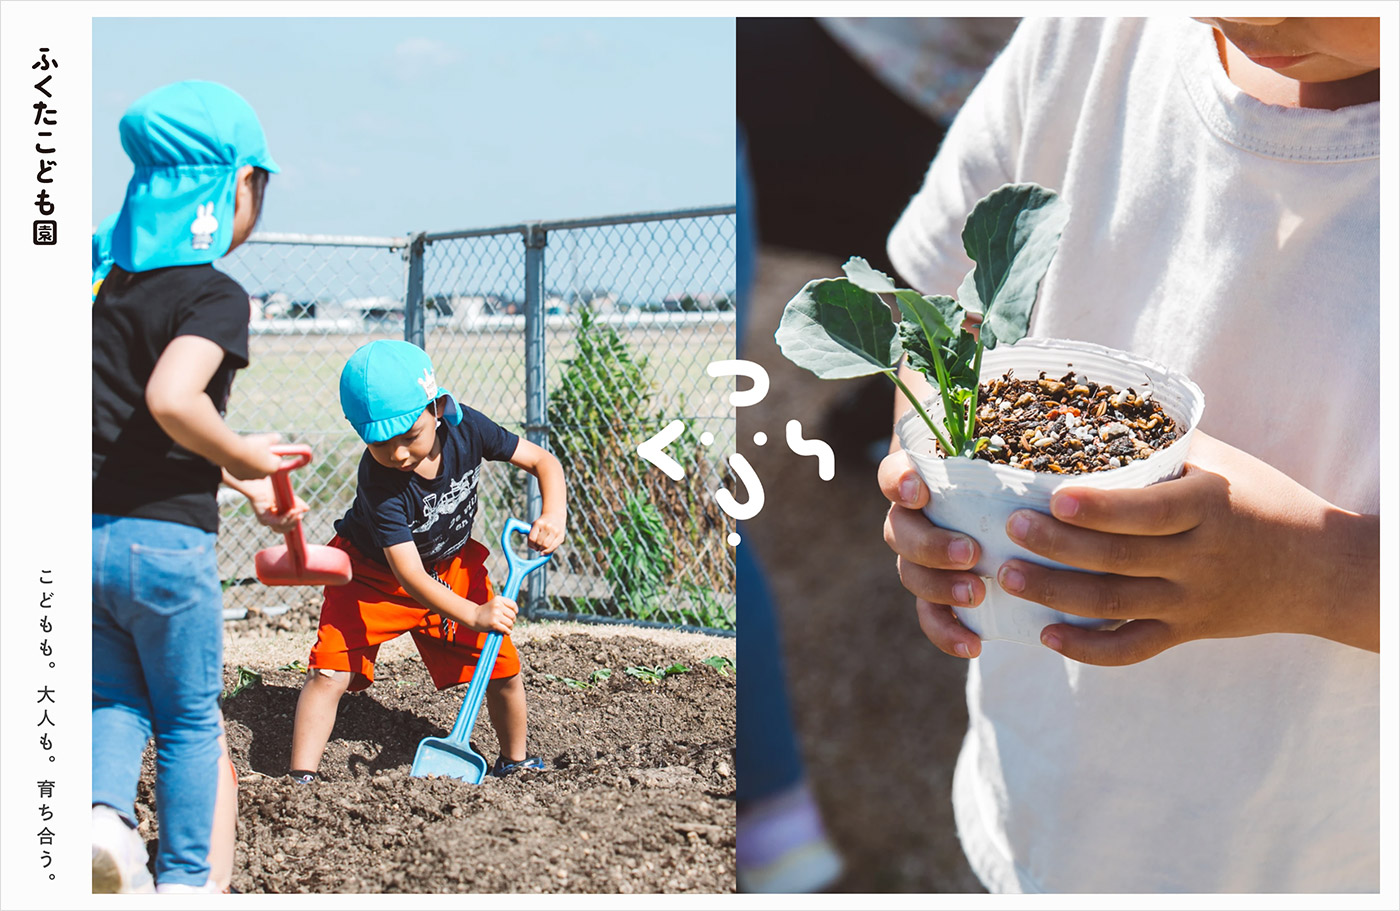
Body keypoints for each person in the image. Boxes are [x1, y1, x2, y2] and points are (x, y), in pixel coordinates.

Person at [877, 17, 1379, 892]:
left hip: (1323, 853)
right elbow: (934, 315)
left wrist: (1321, 574)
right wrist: (931, 472)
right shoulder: (1091, 35)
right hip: (1050, 803)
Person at [92, 80, 300, 894]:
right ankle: (185, 879)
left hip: (88, 538)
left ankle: (102, 822)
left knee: (112, 696)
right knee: (187, 720)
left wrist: (232, 475)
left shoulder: (107, 288)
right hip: (168, 546)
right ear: (235, 187)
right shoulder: (214, 294)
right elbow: (173, 403)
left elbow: (128, 427)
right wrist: (246, 457)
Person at [287, 340, 567, 781]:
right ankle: (301, 777)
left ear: (437, 408)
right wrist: (474, 613)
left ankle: (515, 760)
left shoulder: (468, 429)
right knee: (329, 671)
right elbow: (407, 574)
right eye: (380, 442)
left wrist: (554, 513)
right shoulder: (379, 481)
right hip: (372, 578)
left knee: (502, 668)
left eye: (409, 436)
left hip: (451, 569)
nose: (397, 454)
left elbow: (542, 462)